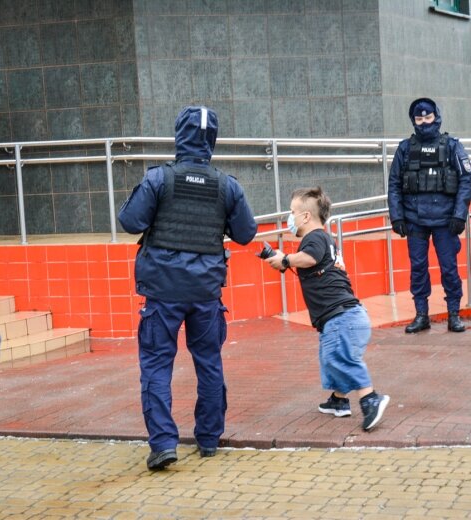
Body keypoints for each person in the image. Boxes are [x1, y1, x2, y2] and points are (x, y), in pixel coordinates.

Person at [118, 106, 257, 471]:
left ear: (179, 134)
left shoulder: (158, 179)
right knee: (209, 362)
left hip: (162, 292)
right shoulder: (227, 185)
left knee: (156, 364)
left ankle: (163, 443)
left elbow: (130, 221)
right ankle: (208, 438)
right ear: (212, 140)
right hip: (206, 292)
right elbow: (246, 234)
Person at [262, 186, 390, 431]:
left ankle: (371, 398)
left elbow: (309, 258)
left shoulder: (315, 238)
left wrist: (286, 259)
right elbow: (311, 262)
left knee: (338, 358)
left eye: (292, 212)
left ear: (306, 216)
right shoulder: (323, 239)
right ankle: (339, 401)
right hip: (345, 316)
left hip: (341, 316)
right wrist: (283, 260)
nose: (290, 218)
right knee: (330, 358)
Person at [388, 97, 471, 334]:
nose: (424, 122)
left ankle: (454, 314)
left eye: (428, 117)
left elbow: (466, 181)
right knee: (418, 268)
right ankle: (421, 315)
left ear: (436, 116)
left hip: (446, 220)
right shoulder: (405, 148)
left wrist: (459, 215)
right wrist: (397, 217)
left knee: (449, 268)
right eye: (419, 118)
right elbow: (394, 184)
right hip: (415, 220)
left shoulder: (453, 145)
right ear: (413, 120)